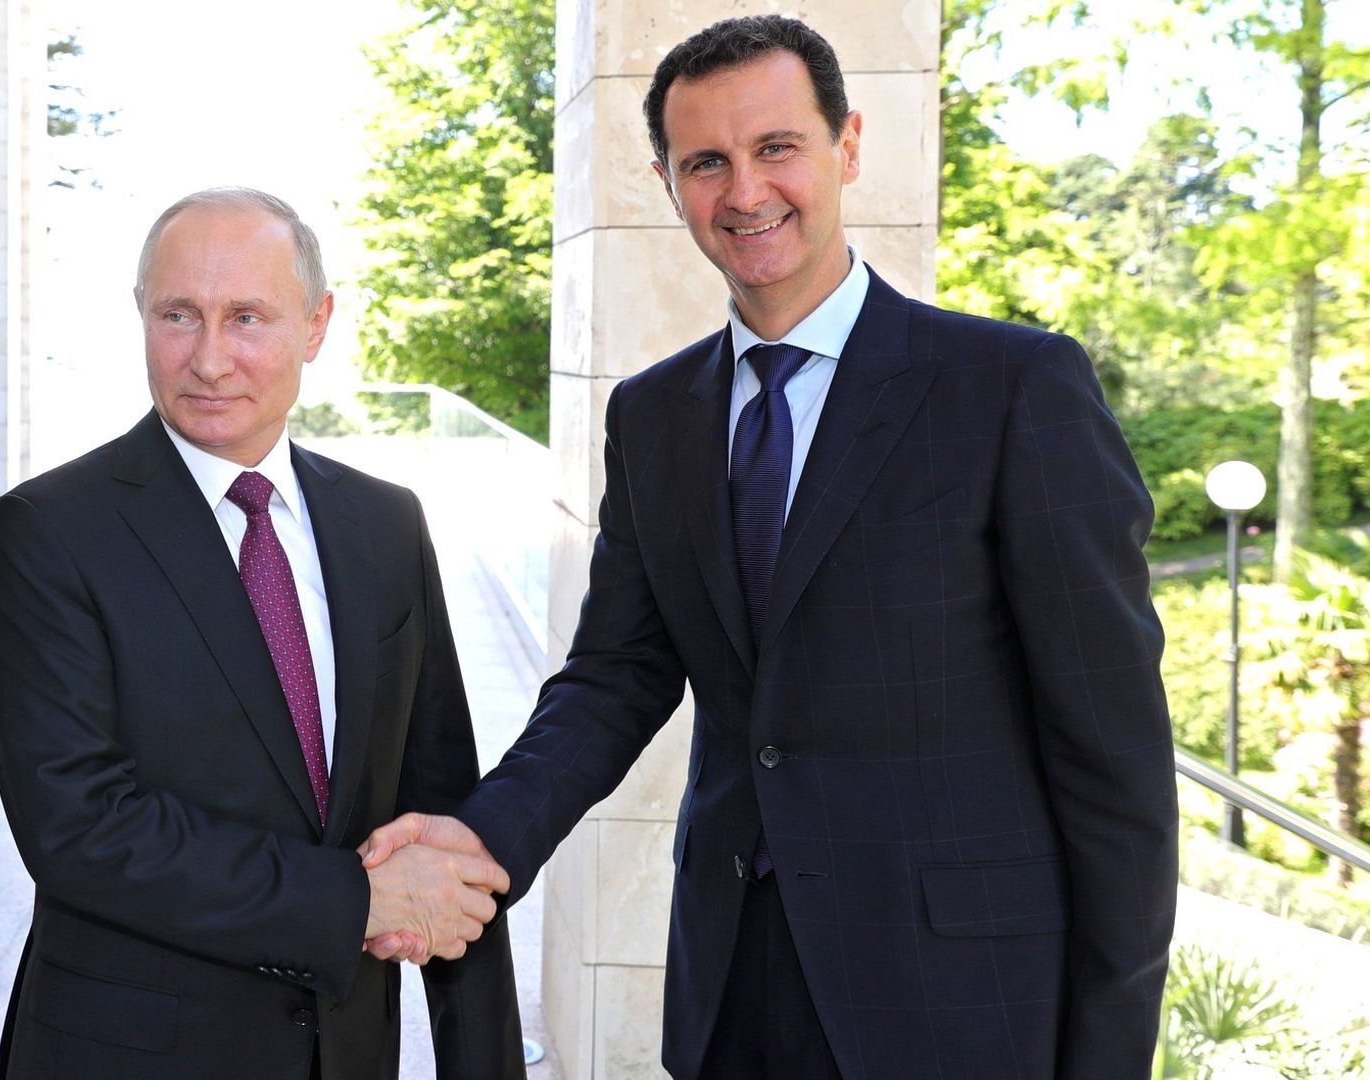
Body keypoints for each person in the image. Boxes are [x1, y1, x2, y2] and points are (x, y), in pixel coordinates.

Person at [361, 15, 1177, 1080]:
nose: (744, 192)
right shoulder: (655, 416)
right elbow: (618, 674)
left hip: (960, 1006)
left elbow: (1114, 765)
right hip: (734, 988)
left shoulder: (1014, 390)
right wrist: (485, 838)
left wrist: (1109, 1058)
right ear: (667, 183)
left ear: (846, 147)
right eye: (706, 162)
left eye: (776, 147)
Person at [0, 187, 524, 1080]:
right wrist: (349, 898)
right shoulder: (50, 530)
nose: (210, 358)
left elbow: (439, 814)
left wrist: (483, 1064)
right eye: (178, 315)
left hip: (344, 1052)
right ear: (142, 319)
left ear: (316, 326)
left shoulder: (386, 525)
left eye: (248, 318)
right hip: (130, 1053)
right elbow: (77, 826)